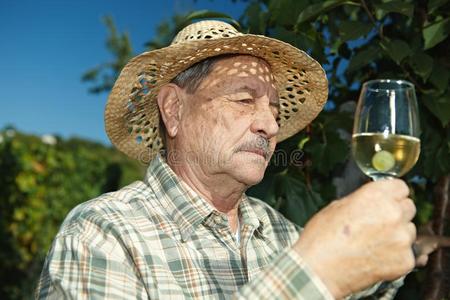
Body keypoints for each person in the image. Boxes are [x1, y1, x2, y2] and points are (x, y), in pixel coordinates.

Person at [36, 20, 444, 299]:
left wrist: (388, 262)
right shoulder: (104, 234)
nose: (269, 124)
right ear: (173, 111)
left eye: (274, 108)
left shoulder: (281, 232)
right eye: (244, 99)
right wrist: (313, 275)